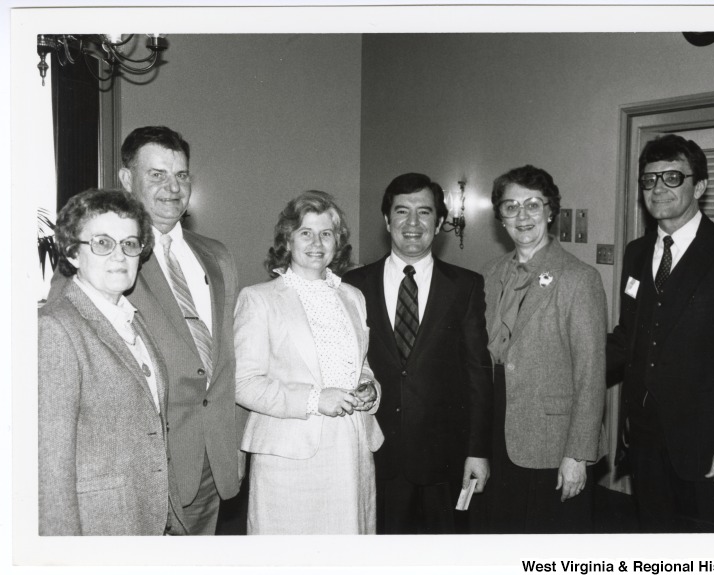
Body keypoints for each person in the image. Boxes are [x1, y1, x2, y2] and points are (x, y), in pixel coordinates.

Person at [50, 126, 244, 534]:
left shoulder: (218, 255)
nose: (173, 188)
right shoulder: (106, 259)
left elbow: (227, 360)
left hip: (215, 461)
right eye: (157, 175)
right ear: (127, 178)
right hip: (145, 466)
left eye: (181, 175)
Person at [607, 134, 714, 532]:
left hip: (709, 447)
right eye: (649, 180)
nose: (658, 188)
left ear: (700, 186)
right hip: (644, 440)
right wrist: (572, 364)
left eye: (672, 177)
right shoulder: (636, 252)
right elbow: (628, 338)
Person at [343, 172, 493, 534]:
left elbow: (478, 373)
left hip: (443, 460)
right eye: (402, 211)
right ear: (386, 220)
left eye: (424, 212)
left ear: (439, 223)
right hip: (375, 453)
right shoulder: (353, 286)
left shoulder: (465, 286)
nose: (413, 223)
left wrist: (478, 450)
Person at [234, 190, 384, 534]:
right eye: (306, 233)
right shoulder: (258, 299)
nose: (317, 243)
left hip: (352, 449)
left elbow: (360, 366)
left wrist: (370, 388)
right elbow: (243, 384)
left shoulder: (353, 297)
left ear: (337, 242)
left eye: (326, 233)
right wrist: (316, 400)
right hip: (290, 456)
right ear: (288, 240)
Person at [39, 189, 186, 535]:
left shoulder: (131, 319)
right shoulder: (55, 329)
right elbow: (49, 468)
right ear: (73, 252)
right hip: (99, 527)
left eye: (130, 244)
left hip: (146, 517)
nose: (120, 255)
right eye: (103, 243)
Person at [481, 165, 607, 533]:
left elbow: (590, 374)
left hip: (551, 438)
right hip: (495, 428)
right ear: (500, 217)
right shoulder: (489, 274)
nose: (522, 216)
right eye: (511, 207)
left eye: (533, 205)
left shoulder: (579, 278)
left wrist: (578, 455)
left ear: (550, 212)